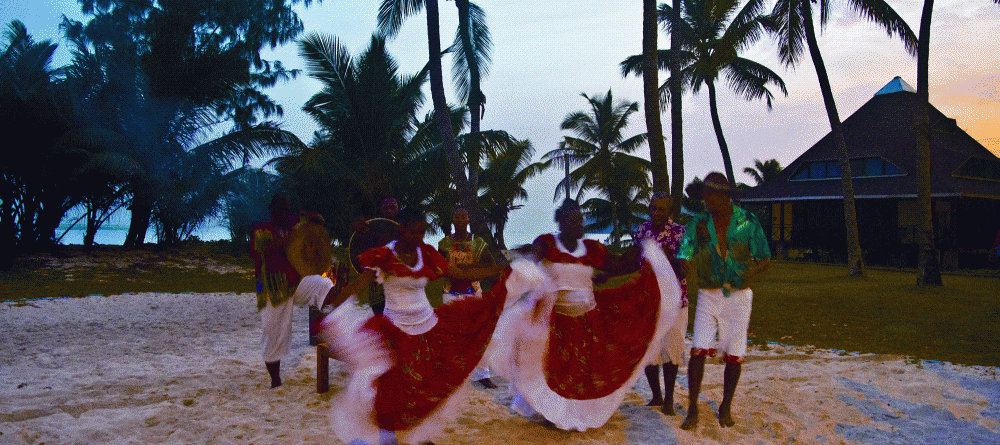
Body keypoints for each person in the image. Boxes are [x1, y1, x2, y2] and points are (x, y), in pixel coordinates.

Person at [320, 207, 512, 445]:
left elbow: (459, 274)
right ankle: (387, 435)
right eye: (413, 232)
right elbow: (357, 285)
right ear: (401, 230)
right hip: (394, 331)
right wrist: (333, 307)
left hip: (428, 328)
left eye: (422, 232)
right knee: (391, 386)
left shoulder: (427, 253)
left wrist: (497, 270)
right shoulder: (384, 255)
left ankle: (417, 435)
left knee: (426, 385)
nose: (418, 237)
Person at [488, 199, 683, 431]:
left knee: (581, 374)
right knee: (556, 372)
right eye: (574, 219)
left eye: (581, 219)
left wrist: (645, 250)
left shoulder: (592, 249)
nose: (579, 223)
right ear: (561, 222)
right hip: (556, 322)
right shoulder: (547, 243)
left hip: (587, 321)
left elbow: (618, 266)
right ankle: (553, 413)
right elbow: (532, 260)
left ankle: (574, 415)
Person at [677, 172, 771, 430]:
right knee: (698, 349)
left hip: (739, 297)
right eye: (704, 195)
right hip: (708, 293)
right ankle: (693, 407)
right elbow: (684, 251)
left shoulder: (747, 221)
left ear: (723, 196)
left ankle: (725, 405)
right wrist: (684, 263)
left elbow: (764, 258)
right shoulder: (698, 223)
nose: (705, 200)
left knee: (734, 353)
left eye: (709, 195)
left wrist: (747, 274)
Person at [251, 194, 337, 388]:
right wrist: (294, 233)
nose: (284, 212)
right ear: (271, 209)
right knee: (273, 334)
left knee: (324, 286)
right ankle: (275, 380)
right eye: (280, 208)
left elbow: (319, 221)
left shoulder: (291, 222)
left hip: (295, 282)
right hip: (270, 287)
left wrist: (309, 216)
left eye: (286, 209)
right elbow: (267, 248)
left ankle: (329, 326)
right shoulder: (261, 228)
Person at [630, 192, 689, 415]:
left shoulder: (681, 233)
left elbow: (684, 269)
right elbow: (636, 262)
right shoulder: (642, 231)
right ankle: (656, 395)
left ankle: (670, 398)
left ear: (670, 212)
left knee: (671, 349)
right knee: (650, 350)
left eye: (661, 209)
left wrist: (666, 259)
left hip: (674, 301)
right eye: (653, 208)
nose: (656, 213)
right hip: (648, 300)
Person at [437, 207, 496, 388]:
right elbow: (437, 267)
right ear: (453, 220)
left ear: (469, 219)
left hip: (473, 293)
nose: (461, 219)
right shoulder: (444, 243)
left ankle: (482, 374)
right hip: (450, 294)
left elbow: (491, 265)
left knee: (479, 334)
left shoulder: (478, 243)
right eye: (457, 217)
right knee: (450, 335)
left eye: (464, 216)